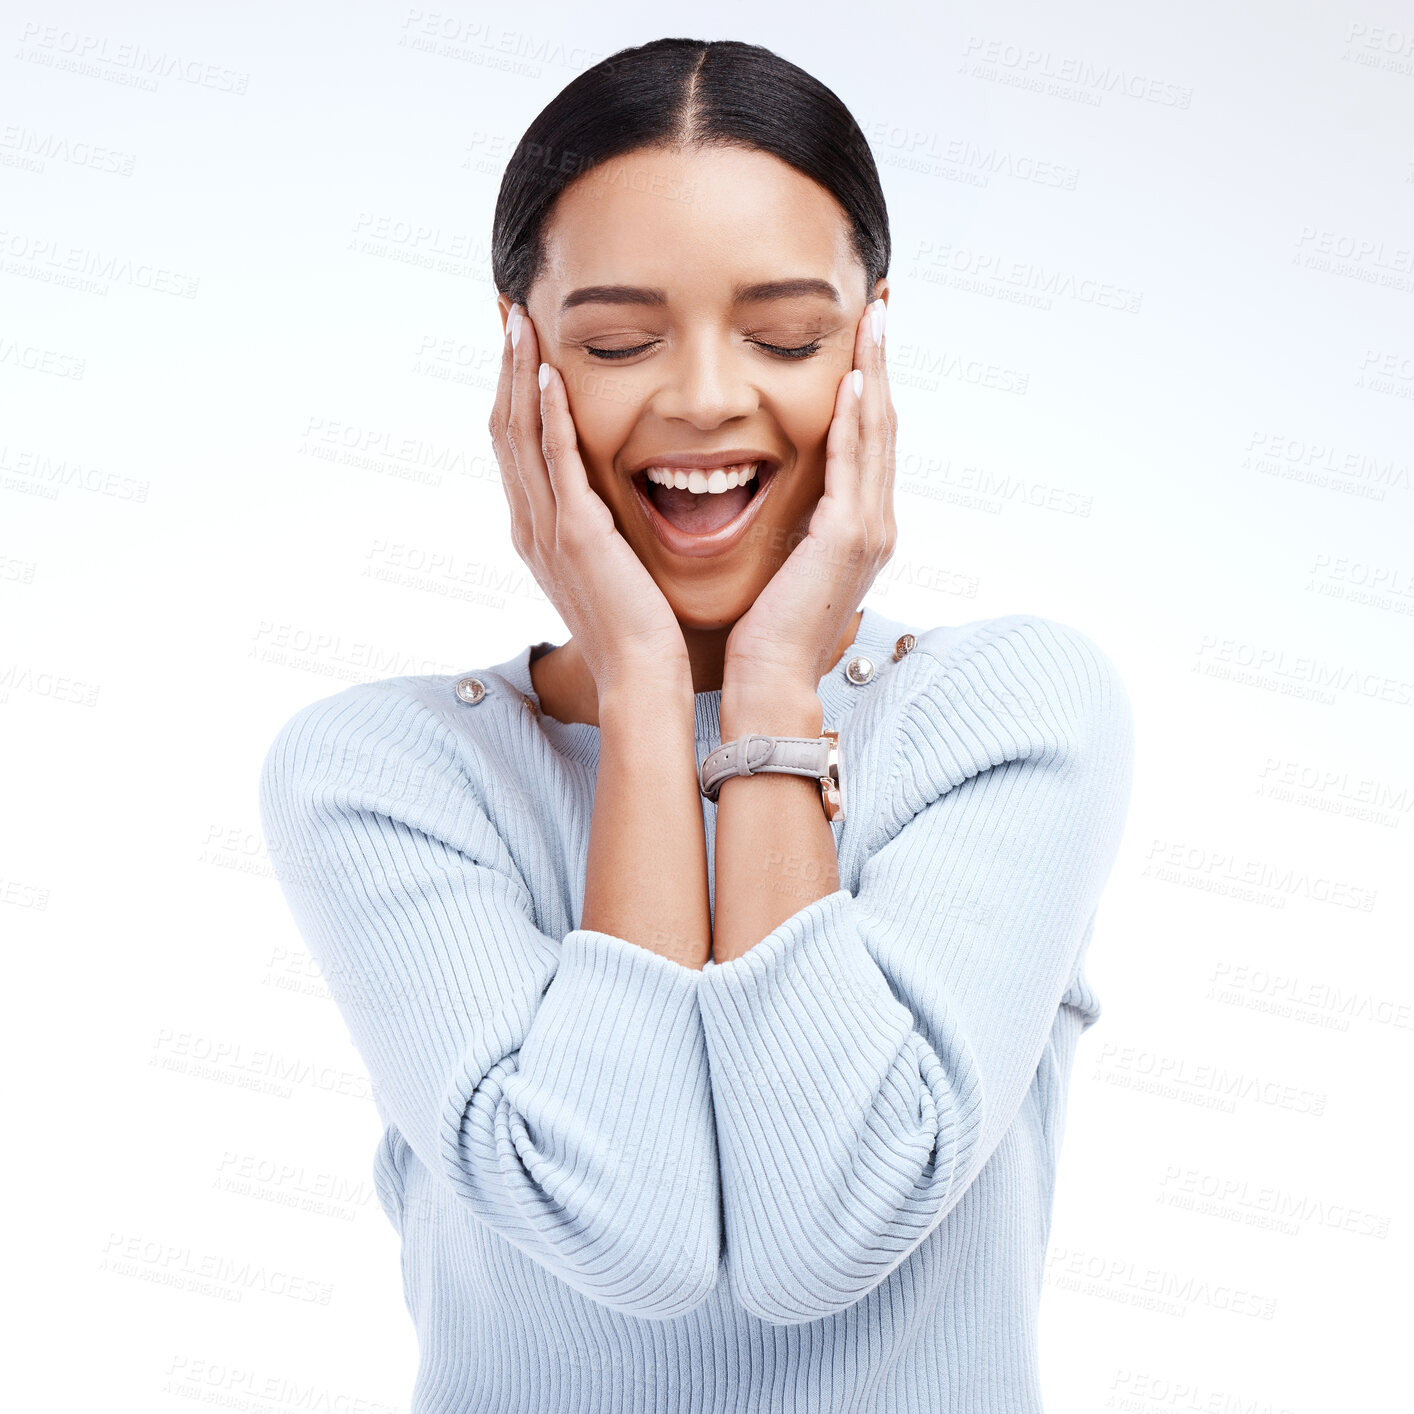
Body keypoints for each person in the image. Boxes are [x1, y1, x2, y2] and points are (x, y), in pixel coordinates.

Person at [259, 36, 1135, 1414]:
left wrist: (771, 683)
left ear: (872, 341)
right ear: (519, 353)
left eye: (785, 335)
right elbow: (627, 1230)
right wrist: (646, 694)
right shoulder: (385, 775)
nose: (707, 397)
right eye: (616, 342)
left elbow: (826, 1227)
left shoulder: (1006, 717)